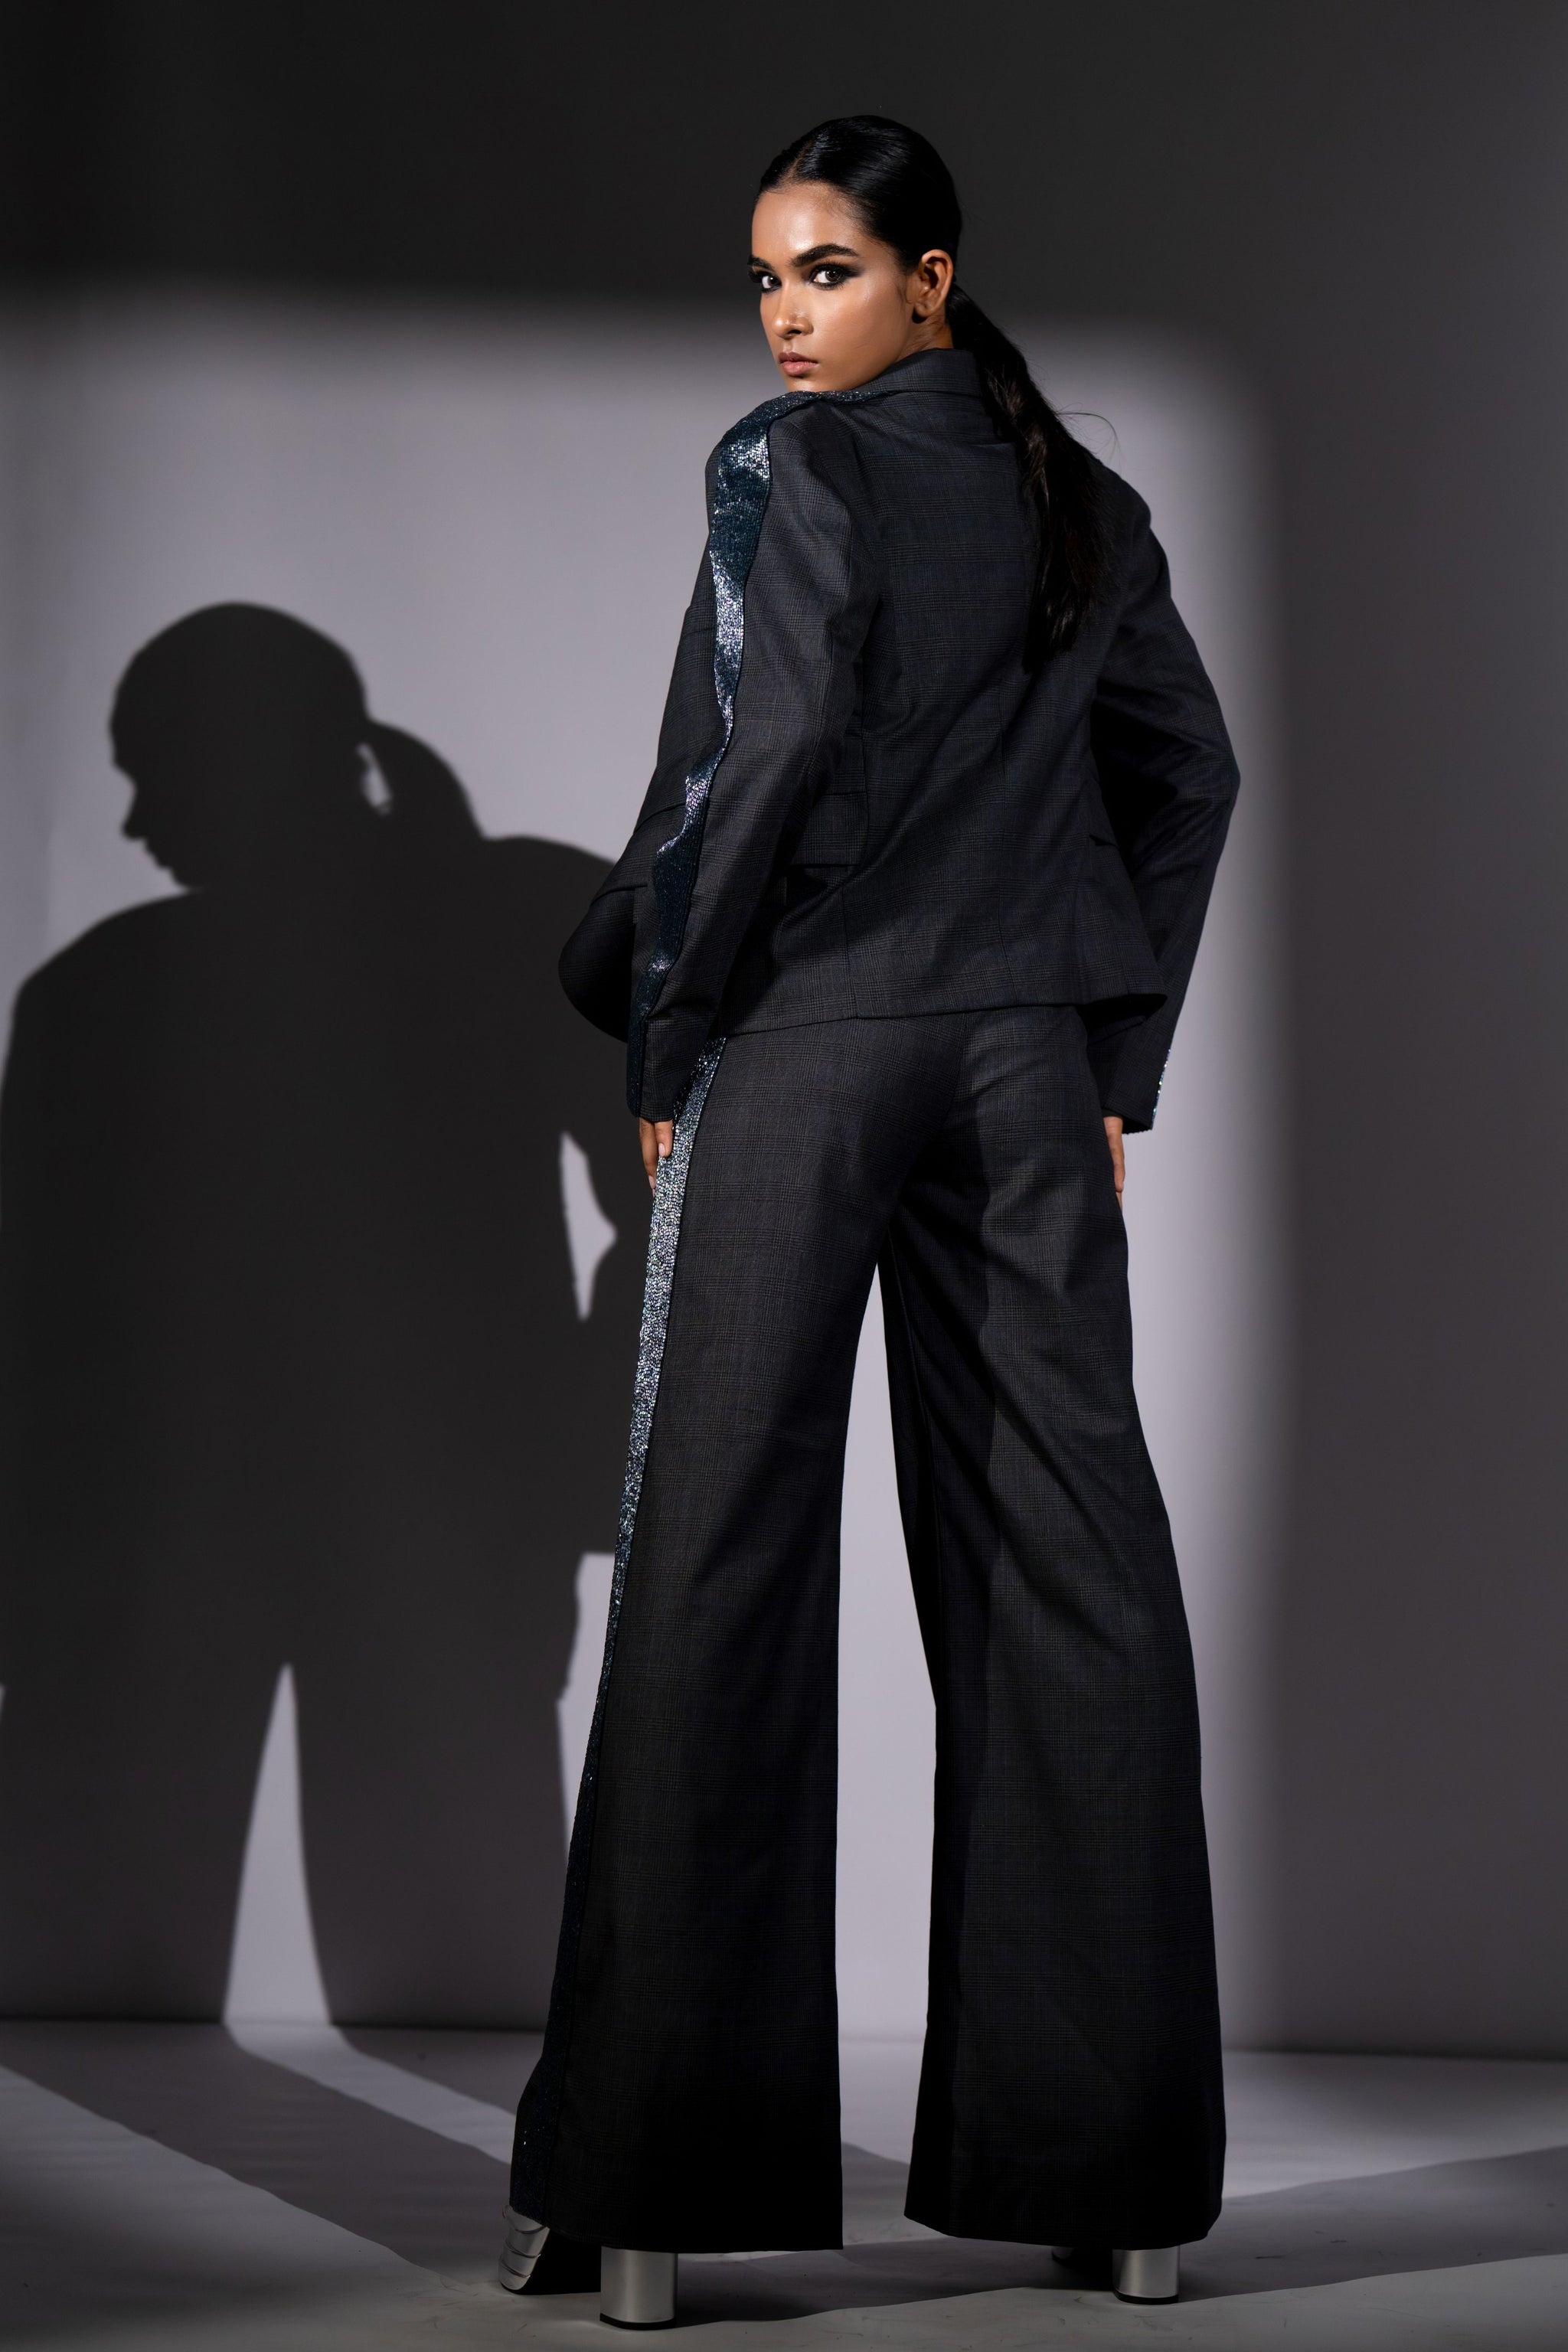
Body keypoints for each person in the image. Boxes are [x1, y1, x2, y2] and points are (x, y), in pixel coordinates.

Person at [503, 116, 1238, 2320]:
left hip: (811, 1040)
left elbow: (762, 748)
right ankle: (1116, 2185)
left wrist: (667, 1024)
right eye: (765, 278)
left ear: (932, 274)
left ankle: (647, 2191)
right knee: (1072, 1569)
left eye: (824, 270)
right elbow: (1188, 772)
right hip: (1021, 1067)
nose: (784, 316)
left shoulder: (789, 466)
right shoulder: (1077, 494)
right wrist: (1109, 1058)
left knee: (716, 1559)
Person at [0, 606, 645, 2027]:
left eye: (153, 775)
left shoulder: (101, 992)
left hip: (191, 1567)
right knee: (426, 2006)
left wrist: (576, 1467)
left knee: (133, 2009)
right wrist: (568, 1468)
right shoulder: (520, 923)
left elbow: (675, 1193)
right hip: (381, 1548)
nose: (133, 823)